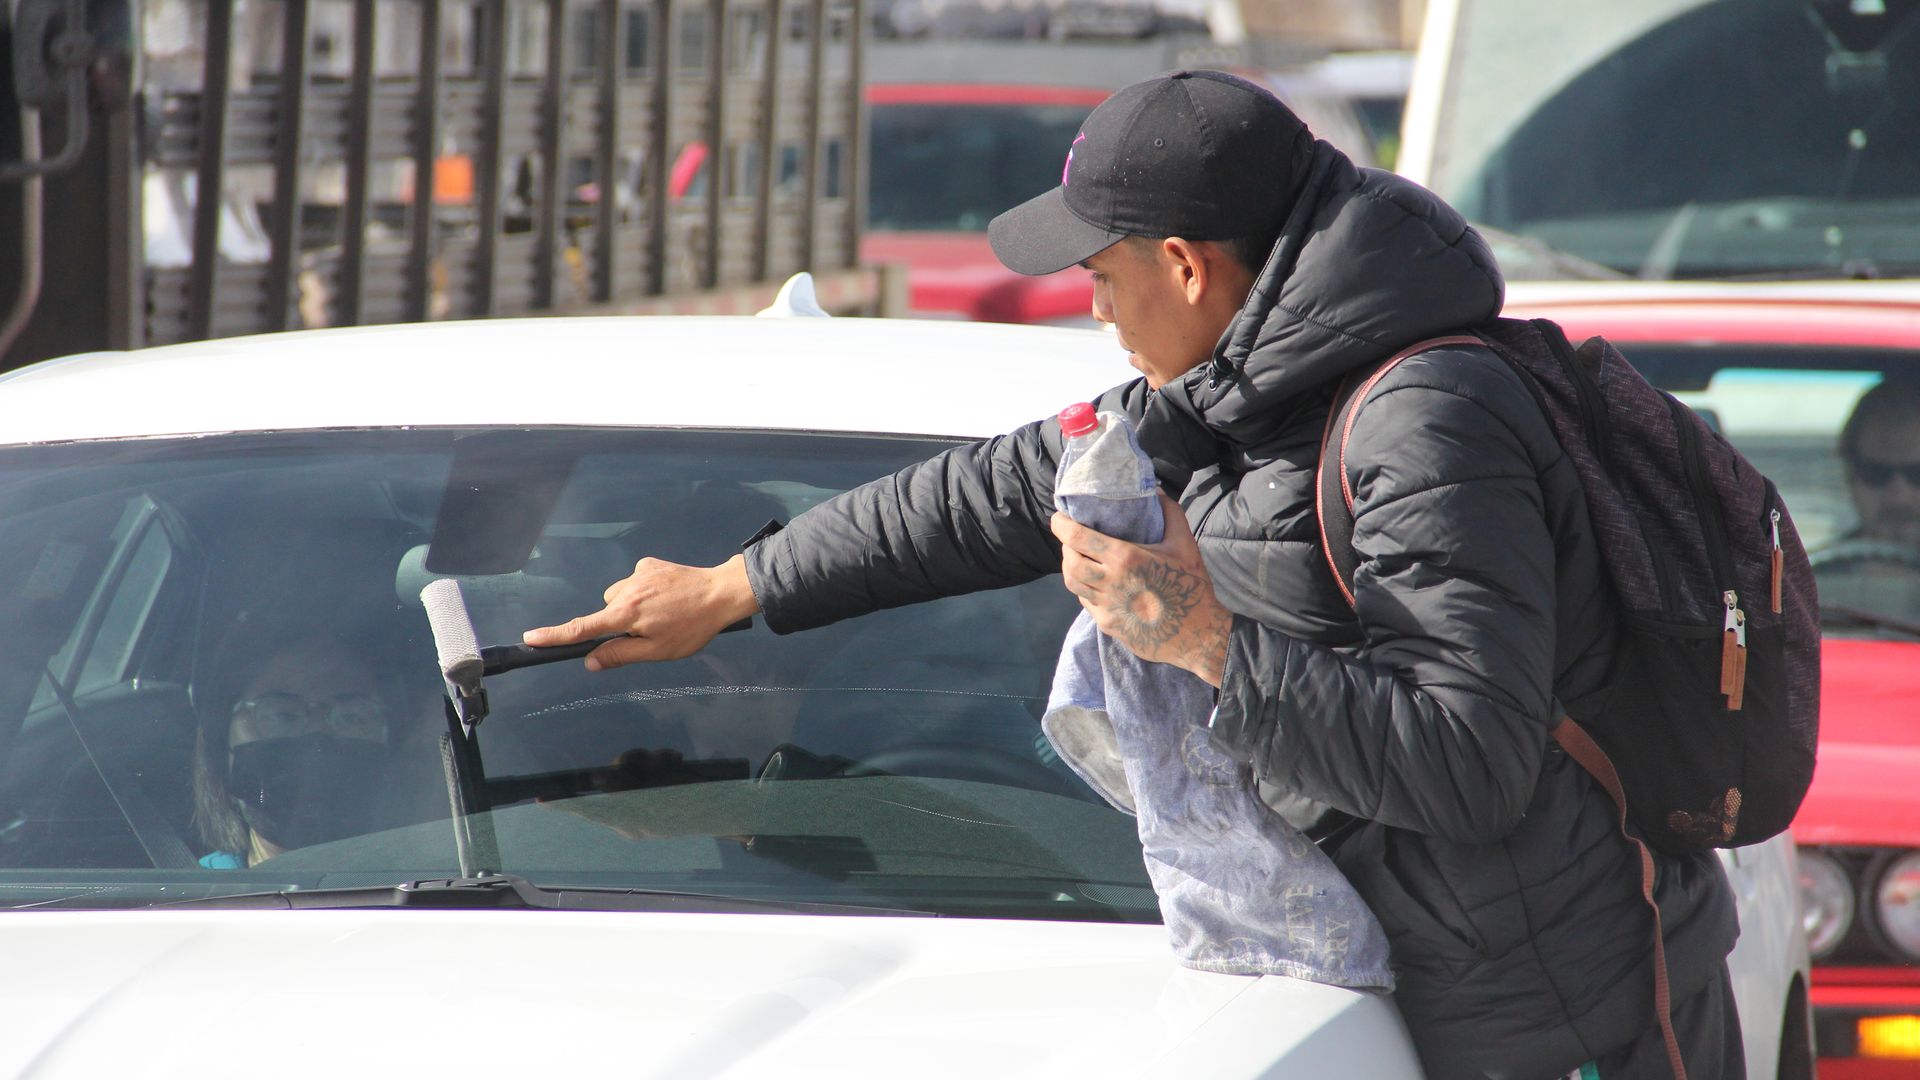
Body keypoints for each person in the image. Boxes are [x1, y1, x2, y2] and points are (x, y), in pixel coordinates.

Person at [525, 71, 1741, 1079]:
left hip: (1555, 1012)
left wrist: (1203, 640)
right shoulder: (1236, 379)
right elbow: (990, 493)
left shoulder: (1424, 420)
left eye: (1101, 277)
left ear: (1187, 266)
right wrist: (735, 588)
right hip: (1409, 982)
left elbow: (1469, 765)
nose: (1093, 310)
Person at [191, 629, 400, 868]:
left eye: (350, 717)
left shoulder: (429, 892)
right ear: (220, 741)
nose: (317, 738)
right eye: (282, 715)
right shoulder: (196, 898)